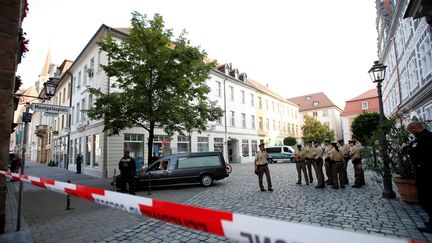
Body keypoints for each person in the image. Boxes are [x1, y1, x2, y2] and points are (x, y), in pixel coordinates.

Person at [402, 121, 432, 233]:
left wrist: (405, 148)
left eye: (410, 131)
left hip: (426, 171)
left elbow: (414, 151)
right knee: (426, 196)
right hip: (424, 169)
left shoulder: (424, 138)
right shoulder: (424, 136)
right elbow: (412, 145)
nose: (411, 133)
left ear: (414, 129)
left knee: (426, 197)